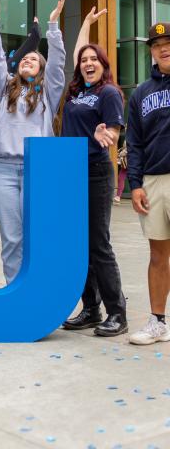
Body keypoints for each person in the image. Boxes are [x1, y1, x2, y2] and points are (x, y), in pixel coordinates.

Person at [0, 0, 66, 285]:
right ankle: (14, 291)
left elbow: (57, 67)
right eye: (24, 58)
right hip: (3, 170)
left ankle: (39, 289)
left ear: (41, 69)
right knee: (12, 236)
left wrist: (53, 28)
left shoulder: (47, 93)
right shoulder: (4, 88)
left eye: (34, 59)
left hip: (37, 168)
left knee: (37, 232)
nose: (27, 60)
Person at [60, 6, 128, 337]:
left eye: (94, 60)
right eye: (85, 60)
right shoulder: (80, 91)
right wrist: (85, 22)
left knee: (98, 243)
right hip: (69, 173)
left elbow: (113, 133)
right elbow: (77, 53)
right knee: (78, 243)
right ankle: (90, 308)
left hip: (96, 171)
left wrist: (107, 136)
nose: (88, 63)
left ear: (104, 66)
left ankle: (117, 312)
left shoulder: (109, 92)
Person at [126, 21, 170, 345]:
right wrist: (136, 184)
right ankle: (158, 322)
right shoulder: (141, 93)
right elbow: (135, 143)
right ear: (151, 52)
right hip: (154, 181)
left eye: (168, 42)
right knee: (158, 254)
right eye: (157, 45)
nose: (163, 47)